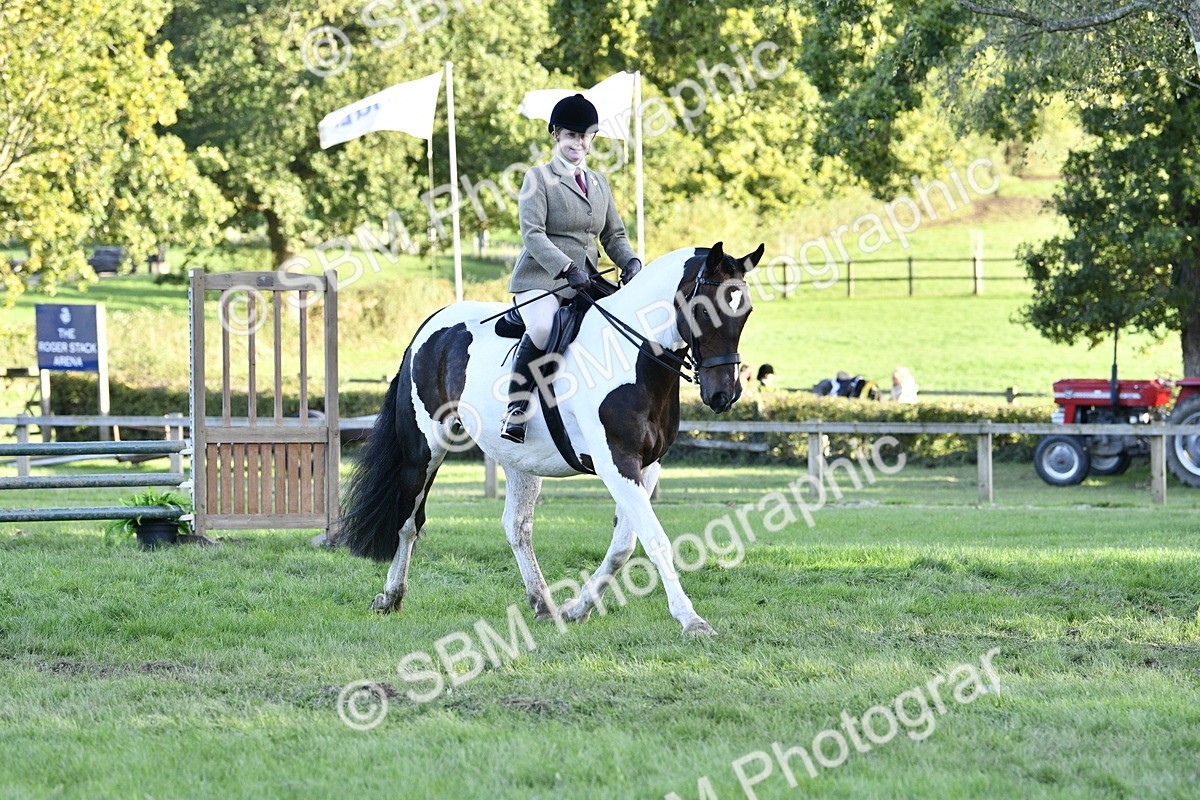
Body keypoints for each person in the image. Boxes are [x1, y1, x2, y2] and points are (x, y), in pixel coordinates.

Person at [501, 94, 643, 444]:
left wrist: (631, 261)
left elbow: (614, 234)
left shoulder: (599, 183)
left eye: (584, 136)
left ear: (591, 139)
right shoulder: (538, 178)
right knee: (544, 327)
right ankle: (516, 409)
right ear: (555, 135)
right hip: (542, 279)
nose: (577, 143)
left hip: (588, 281)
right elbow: (532, 234)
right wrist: (565, 268)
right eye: (570, 136)